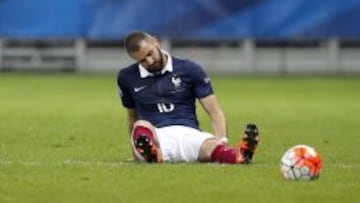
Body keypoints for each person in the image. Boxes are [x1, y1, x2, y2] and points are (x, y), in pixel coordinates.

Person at [117, 31, 259, 164]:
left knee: (211, 146)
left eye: (150, 54)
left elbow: (215, 111)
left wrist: (222, 139)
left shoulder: (189, 69)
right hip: (155, 137)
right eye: (142, 60)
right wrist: (135, 150)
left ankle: (240, 155)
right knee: (140, 125)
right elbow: (132, 117)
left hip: (188, 133)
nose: (149, 61)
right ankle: (152, 154)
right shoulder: (126, 77)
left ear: (156, 42)